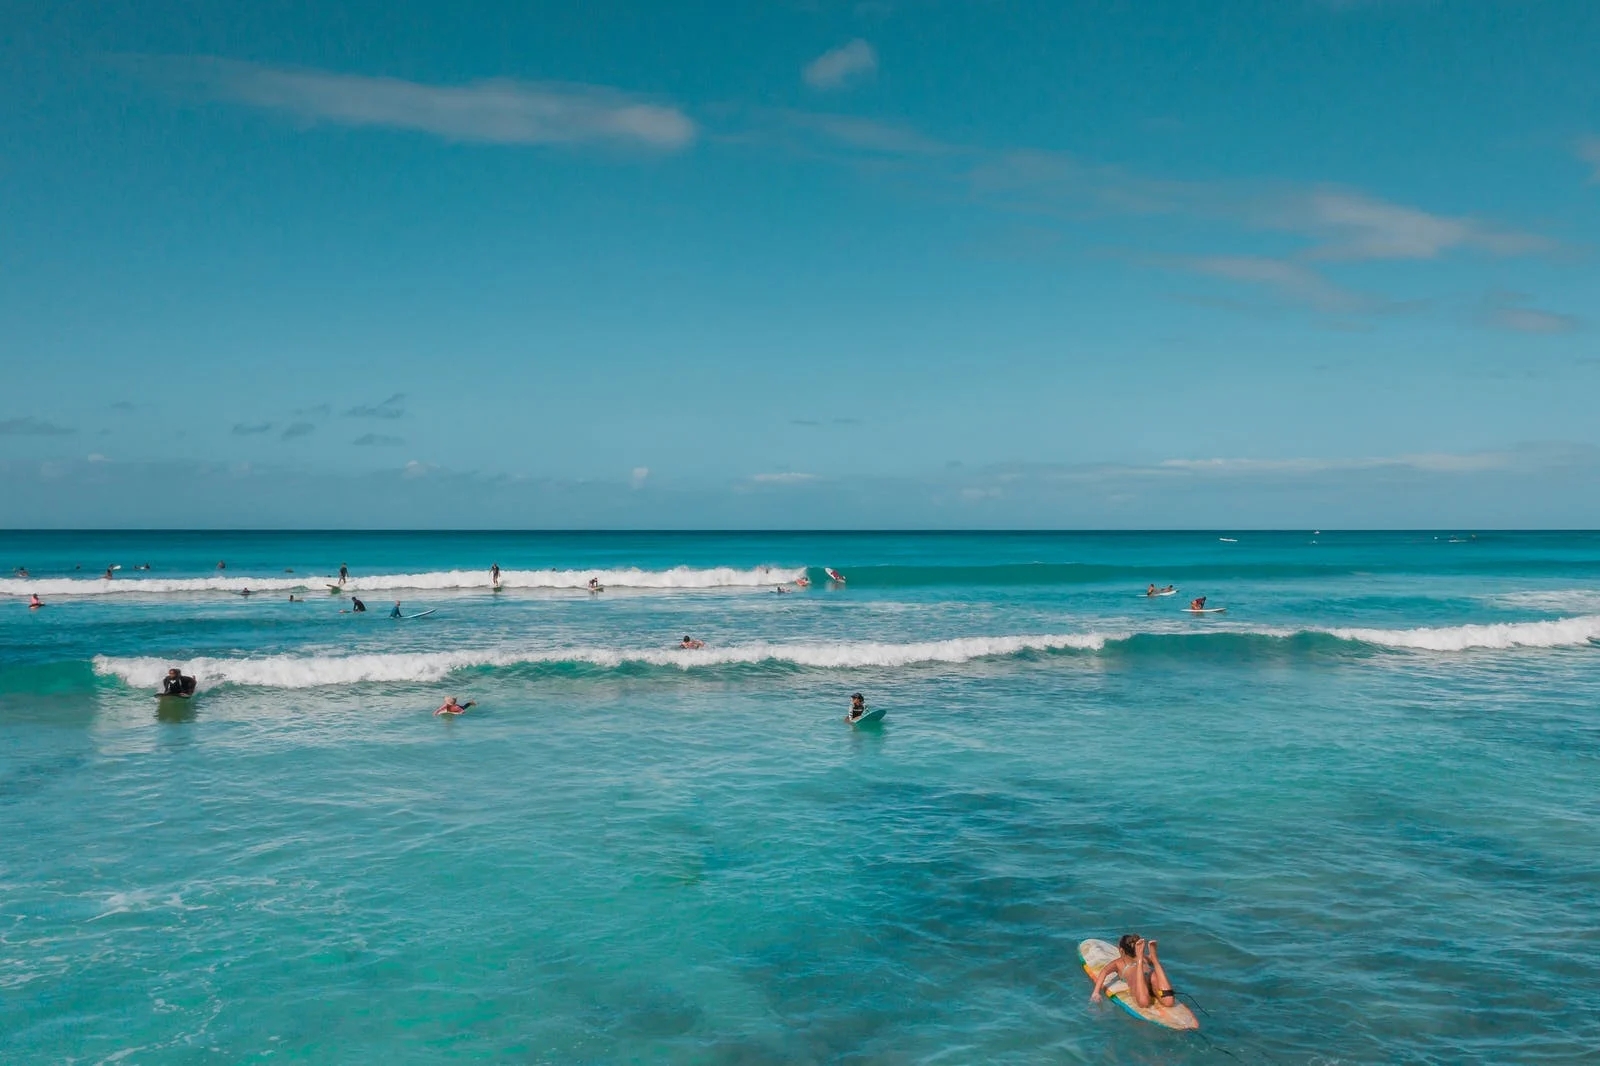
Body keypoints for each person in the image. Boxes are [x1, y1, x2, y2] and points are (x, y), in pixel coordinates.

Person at [1090, 934, 1176, 1010]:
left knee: (1144, 1003)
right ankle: (1154, 958)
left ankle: (1143, 963)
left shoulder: (1118, 963)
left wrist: (1096, 992)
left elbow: (1104, 972)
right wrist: (1149, 957)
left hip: (1138, 981)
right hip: (1151, 975)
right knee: (1169, 1002)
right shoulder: (1145, 958)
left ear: (1121, 951)